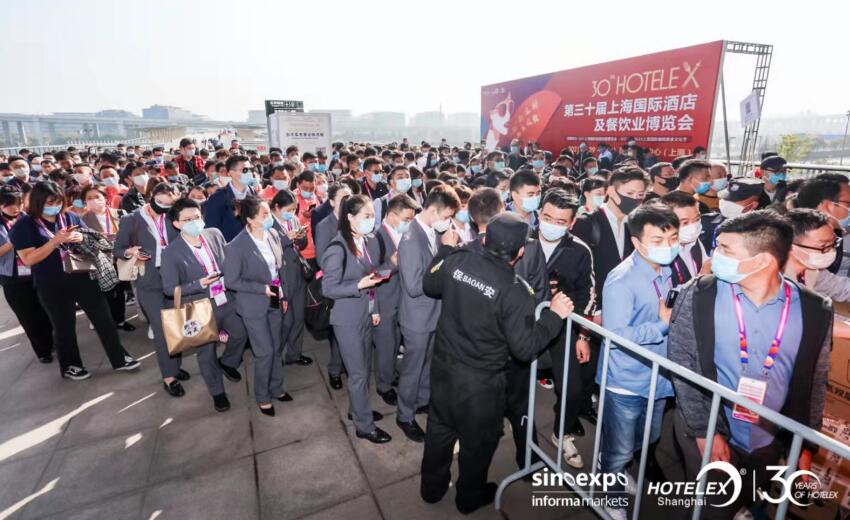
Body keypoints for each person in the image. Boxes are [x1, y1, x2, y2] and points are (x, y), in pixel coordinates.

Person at [668, 211, 831, 518]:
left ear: (762, 261)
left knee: (744, 498)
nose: (715, 256)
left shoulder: (815, 310)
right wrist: (705, 431)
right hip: (711, 429)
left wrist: (804, 446)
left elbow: (815, 382)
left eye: (725, 250)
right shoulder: (700, 294)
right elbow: (682, 363)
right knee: (707, 507)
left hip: (768, 440)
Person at [419, 212, 574, 515]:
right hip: (481, 384)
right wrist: (555, 315)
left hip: (444, 369)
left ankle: (431, 489)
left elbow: (430, 284)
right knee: (478, 443)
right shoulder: (516, 290)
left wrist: (446, 248)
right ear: (520, 252)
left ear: (485, 240)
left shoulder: (458, 260)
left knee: (439, 429)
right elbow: (525, 348)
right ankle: (469, 497)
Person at [598, 202, 679, 520]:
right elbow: (616, 335)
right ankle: (611, 494)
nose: (668, 246)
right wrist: (662, 325)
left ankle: (615, 471)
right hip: (627, 380)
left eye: (672, 238)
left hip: (658, 378)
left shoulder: (666, 270)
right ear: (636, 242)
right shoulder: (622, 280)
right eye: (658, 240)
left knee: (647, 437)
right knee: (619, 448)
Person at [11, 181, 140, 380]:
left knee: (104, 319)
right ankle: (71, 365)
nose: (55, 206)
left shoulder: (69, 216)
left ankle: (120, 358)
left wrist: (81, 238)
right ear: (38, 202)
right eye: (49, 202)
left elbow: (91, 238)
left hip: (83, 275)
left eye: (58, 201)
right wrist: (55, 241)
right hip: (51, 283)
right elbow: (28, 259)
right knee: (64, 326)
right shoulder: (24, 225)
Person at [160, 198, 249, 412]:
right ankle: (217, 392)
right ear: (177, 224)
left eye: (197, 217)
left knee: (241, 333)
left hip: (226, 299)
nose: (194, 222)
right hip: (199, 307)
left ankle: (227, 362)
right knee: (206, 353)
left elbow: (229, 259)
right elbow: (169, 289)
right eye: (187, 219)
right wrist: (199, 283)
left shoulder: (214, 234)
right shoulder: (171, 252)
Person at [320, 195, 391, 442]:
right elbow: (329, 288)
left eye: (373, 216)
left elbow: (371, 278)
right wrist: (357, 285)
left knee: (364, 368)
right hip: (347, 319)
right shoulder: (337, 248)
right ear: (350, 217)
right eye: (366, 216)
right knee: (358, 373)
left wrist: (375, 309)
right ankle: (364, 426)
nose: (371, 220)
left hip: (365, 313)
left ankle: (357, 409)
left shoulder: (364, 241)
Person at [536, 189, 595, 468]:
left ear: (571, 223)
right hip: (522, 324)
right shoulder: (523, 240)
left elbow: (587, 294)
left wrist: (583, 334)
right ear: (539, 214)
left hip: (562, 327)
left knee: (571, 388)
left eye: (560, 221)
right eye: (547, 218)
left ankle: (562, 432)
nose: (552, 225)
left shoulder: (579, 250)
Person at [397, 186, 460, 442]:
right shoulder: (411, 239)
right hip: (417, 319)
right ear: (433, 210)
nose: (449, 221)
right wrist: (445, 254)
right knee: (412, 370)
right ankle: (404, 415)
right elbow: (414, 286)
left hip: (433, 314)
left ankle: (422, 401)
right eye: (447, 216)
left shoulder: (432, 231)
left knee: (426, 366)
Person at [223, 196, 292, 416]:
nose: (270, 217)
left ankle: (277, 387)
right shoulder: (236, 246)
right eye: (265, 215)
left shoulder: (272, 235)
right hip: (253, 305)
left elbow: (279, 269)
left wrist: (283, 295)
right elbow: (231, 281)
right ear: (251, 220)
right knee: (265, 352)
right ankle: (262, 396)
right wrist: (261, 288)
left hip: (275, 299)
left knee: (277, 347)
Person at [114, 182, 183, 393]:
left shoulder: (174, 216)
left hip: (174, 278)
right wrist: (131, 252)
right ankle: (169, 377)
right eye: (160, 202)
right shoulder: (132, 219)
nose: (163, 207)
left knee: (177, 325)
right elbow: (118, 249)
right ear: (152, 196)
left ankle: (175, 366)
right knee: (162, 330)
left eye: (169, 205)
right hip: (148, 281)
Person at [0, 186, 54, 362]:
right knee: (28, 316)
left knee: (46, 311)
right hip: (13, 278)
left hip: (38, 271)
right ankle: (43, 351)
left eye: (19, 203)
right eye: (9, 204)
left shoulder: (30, 219)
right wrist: (14, 240)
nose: (15, 208)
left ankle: (52, 341)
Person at [373, 194, 418, 406]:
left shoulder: (404, 235)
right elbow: (371, 275)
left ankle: (391, 375)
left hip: (401, 300)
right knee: (385, 345)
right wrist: (391, 265)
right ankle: (383, 385)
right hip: (384, 302)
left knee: (395, 342)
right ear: (391, 215)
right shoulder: (377, 238)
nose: (409, 223)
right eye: (406, 219)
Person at [80, 186, 134, 331]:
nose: (94, 200)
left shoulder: (120, 213)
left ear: (105, 198)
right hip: (100, 261)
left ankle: (120, 320)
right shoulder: (83, 219)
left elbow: (132, 234)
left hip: (121, 258)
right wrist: (101, 239)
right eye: (89, 198)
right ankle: (107, 323)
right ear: (85, 202)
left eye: (97, 196)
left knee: (120, 292)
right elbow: (83, 242)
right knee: (106, 293)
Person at [269, 189, 310, 367]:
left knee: (299, 318)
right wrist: (286, 239)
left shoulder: (293, 220)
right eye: (288, 210)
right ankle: (276, 356)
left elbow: (302, 244)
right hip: (280, 279)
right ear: (277, 207)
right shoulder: (267, 223)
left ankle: (294, 353)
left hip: (297, 274)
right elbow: (267, 248)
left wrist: (301, 237)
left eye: (294, 210)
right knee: (285, 322)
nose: (292, 213)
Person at [700, 177, 763, 255]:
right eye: (726, 198)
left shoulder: (759, 232)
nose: (726, 203)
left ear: (753, 205)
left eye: (734, 201)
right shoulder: (705, 222)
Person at [660, 190, 708, 285]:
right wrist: (702, 275)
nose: (693, 227)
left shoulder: (694, 241)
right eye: (685, 222)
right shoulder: (661, 255)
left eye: (697, 219)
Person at [204, 155, 256, 242]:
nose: (249, 173)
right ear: (230, 173)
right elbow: (211, 230)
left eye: (251, 169)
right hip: (229, 246)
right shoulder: (218, 198)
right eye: (245, 170)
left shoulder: (254, 194)